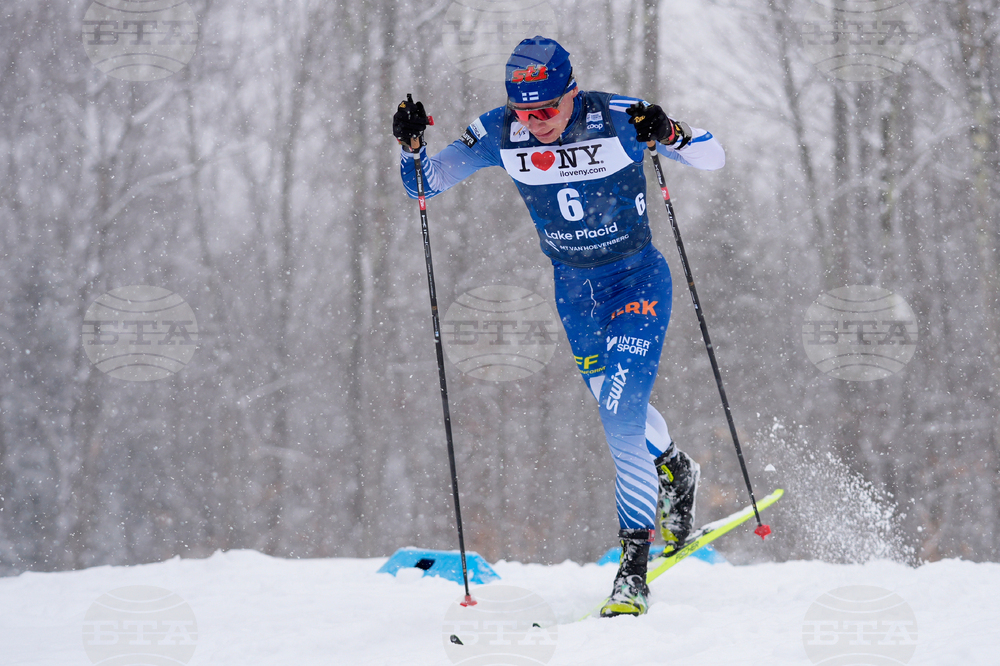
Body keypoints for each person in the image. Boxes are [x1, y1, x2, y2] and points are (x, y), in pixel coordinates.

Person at [393, 36, 725, 617]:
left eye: (548, 108)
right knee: (610, 400)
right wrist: (410, 145)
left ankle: (632, 570)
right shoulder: (498, 130)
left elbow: (712, 155)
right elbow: (426, 182)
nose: (537, 122)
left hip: (636, 282)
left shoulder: (620, 116)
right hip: (575, 293)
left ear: (571, 93)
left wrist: (669, 132)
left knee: (618, 416)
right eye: (526, 112)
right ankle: (675, 469)